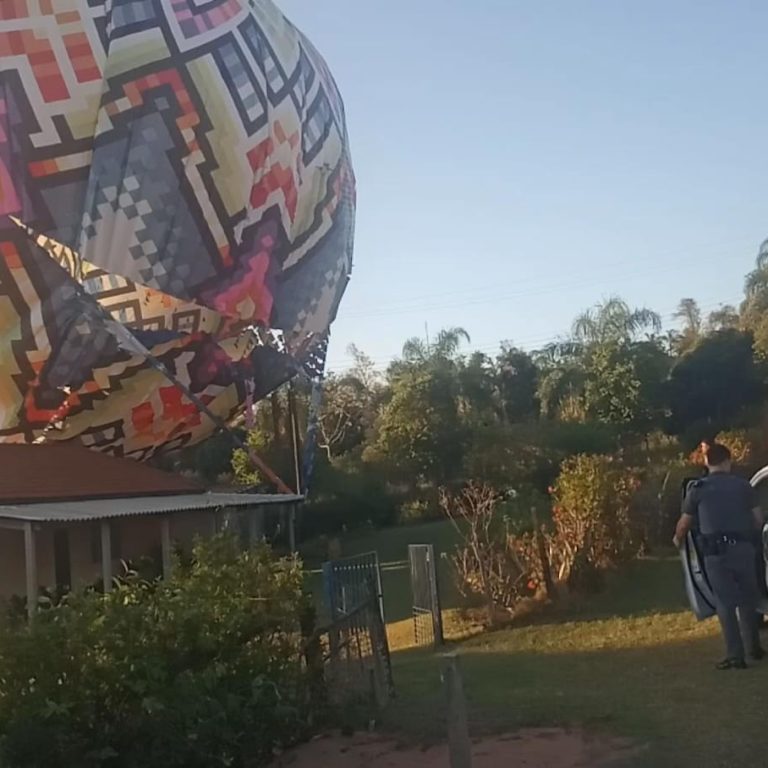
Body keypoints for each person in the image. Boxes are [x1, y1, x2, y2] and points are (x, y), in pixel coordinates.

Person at [673, 443, 766, 669]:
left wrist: (677, 540)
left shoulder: (698, 489)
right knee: (748, 599)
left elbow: (684, 523)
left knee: (725, 603)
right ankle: (754, 648)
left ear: (707, 462)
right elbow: (758, 519)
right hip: (743, 549)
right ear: (728, 461)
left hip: (715, 553)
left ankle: (735, 656)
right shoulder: (743, 487)